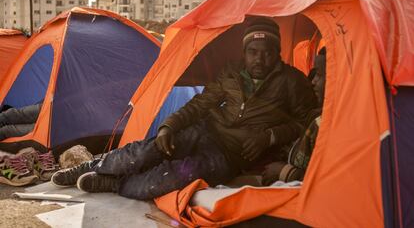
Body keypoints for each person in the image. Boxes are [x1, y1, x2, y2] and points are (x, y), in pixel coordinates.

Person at [51, 17, 317, 200]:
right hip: (205, 131)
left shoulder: (293, 82)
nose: (260, 58)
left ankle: (114, 183)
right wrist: (170, 125)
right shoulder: (232, 73)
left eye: (268, 52)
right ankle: (93, 164)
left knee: (169, 179)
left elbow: (307, 123)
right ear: (245, 52)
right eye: (253, 51)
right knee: (146, 150)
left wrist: (269, 136)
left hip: (231, 156)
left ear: (278, 52)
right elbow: (200, 105)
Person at [262, 48, 326, 185]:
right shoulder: (317, 114)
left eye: (319, 75)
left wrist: (285, 172)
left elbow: (328, 180)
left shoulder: (327, 124)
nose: (313, 82)